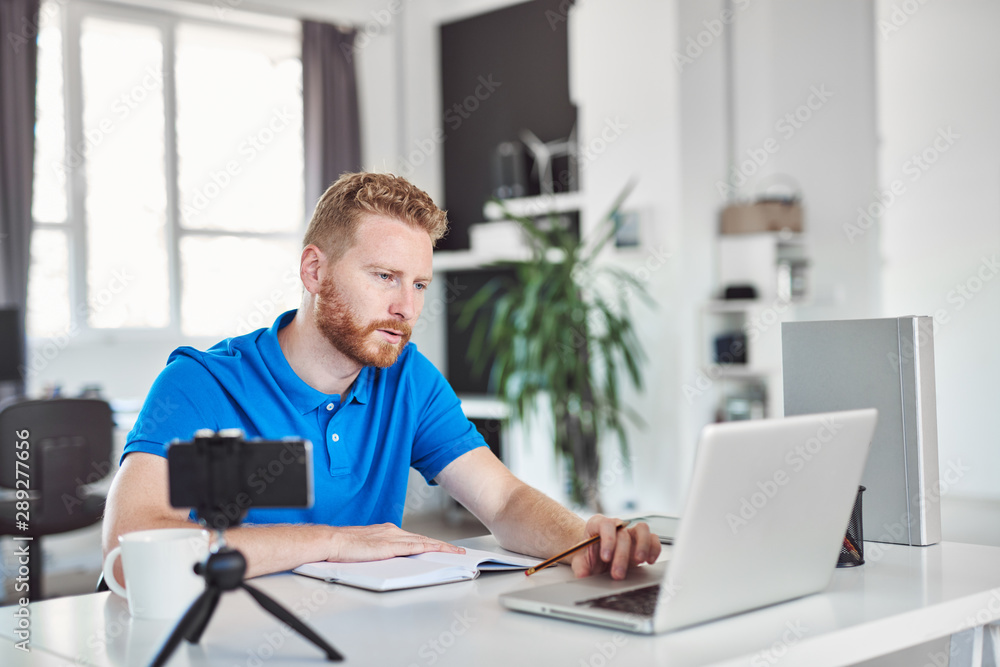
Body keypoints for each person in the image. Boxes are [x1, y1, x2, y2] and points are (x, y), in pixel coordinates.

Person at [103, 172, 660, 584]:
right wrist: (332, 544)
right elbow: (130, 556)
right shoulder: (199, 386)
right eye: (385, 276)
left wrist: (581, 537)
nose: (405, 307)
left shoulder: (408, 380)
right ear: (314, 271)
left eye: (418, 284)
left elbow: (504, 500)